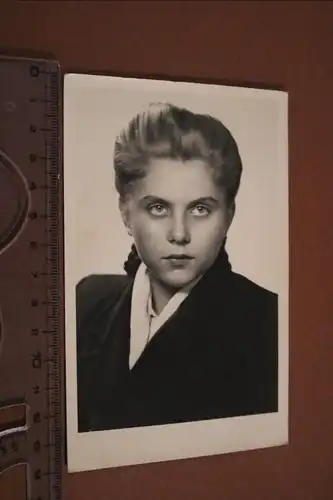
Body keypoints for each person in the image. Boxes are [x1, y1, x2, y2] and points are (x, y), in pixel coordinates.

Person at [76, 102, 278, 433]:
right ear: (126, 213)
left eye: (200, 209)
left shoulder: (271, 324)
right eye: (158, 207)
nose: (179, 234)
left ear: (228, 215)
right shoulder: (85, 302)